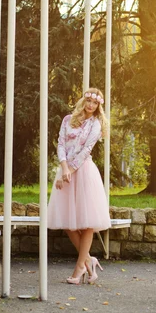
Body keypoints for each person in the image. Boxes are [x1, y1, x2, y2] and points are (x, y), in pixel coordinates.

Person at [47, 87, 111, 285]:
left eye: (95, 103)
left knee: (87, 222)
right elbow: (60, 144)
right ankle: (88, 260)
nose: (91, 106)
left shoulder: (96, 124)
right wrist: (64, 168)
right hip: (66, 171)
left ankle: (80, 266)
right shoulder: (68, 120)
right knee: (67, 223)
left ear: (98, 106)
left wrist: (70, 170)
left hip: (84, 172)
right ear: (83, 101)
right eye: (89, 102)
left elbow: (85, 151)